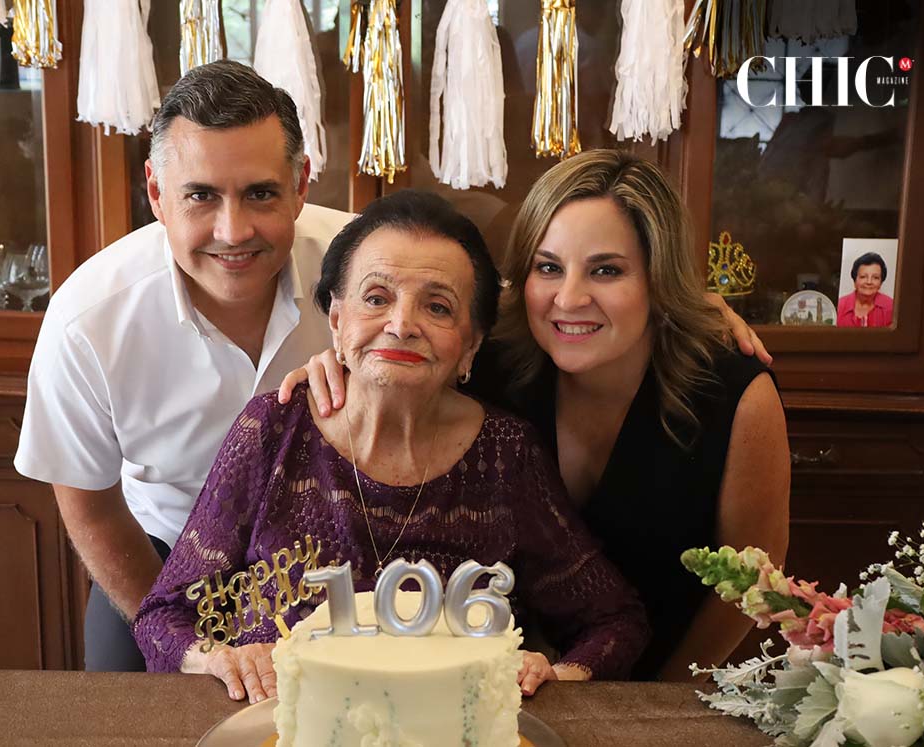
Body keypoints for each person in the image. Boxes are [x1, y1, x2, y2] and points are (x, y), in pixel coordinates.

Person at [282, 150, 790, 681]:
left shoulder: (731, 393)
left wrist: (667, 701)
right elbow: (404, 346)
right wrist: (339, 363)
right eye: (549, 267)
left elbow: (752, 581)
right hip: (527, 683)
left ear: (657, 279)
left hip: (674, 676)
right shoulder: (492, 364)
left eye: (607, 271)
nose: (568, 298)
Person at [133, 190, 649, 701]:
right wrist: (221, 659)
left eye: (438, 307)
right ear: (336, 320)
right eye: (376, 298)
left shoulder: (505, 455)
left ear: (471, 344)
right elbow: (164, 615)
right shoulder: (274, 428)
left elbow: (614, 620)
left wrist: (556, 676)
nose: (401, 326)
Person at [13, 60, 352, 671]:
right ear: (156, 194)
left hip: (342, 552)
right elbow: (89, 504)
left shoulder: (368, 275)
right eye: (201, 195)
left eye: (260, 193)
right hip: (164, 555)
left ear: (301, 184)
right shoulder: (87, 319)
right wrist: (183, 644)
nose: (233, 230)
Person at [837, 252, 894, 327]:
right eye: (863, 277)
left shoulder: (891, 306)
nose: (869, 282)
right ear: (855, 280)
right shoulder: (839, 306)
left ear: (881, 283)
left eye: (875, 277)